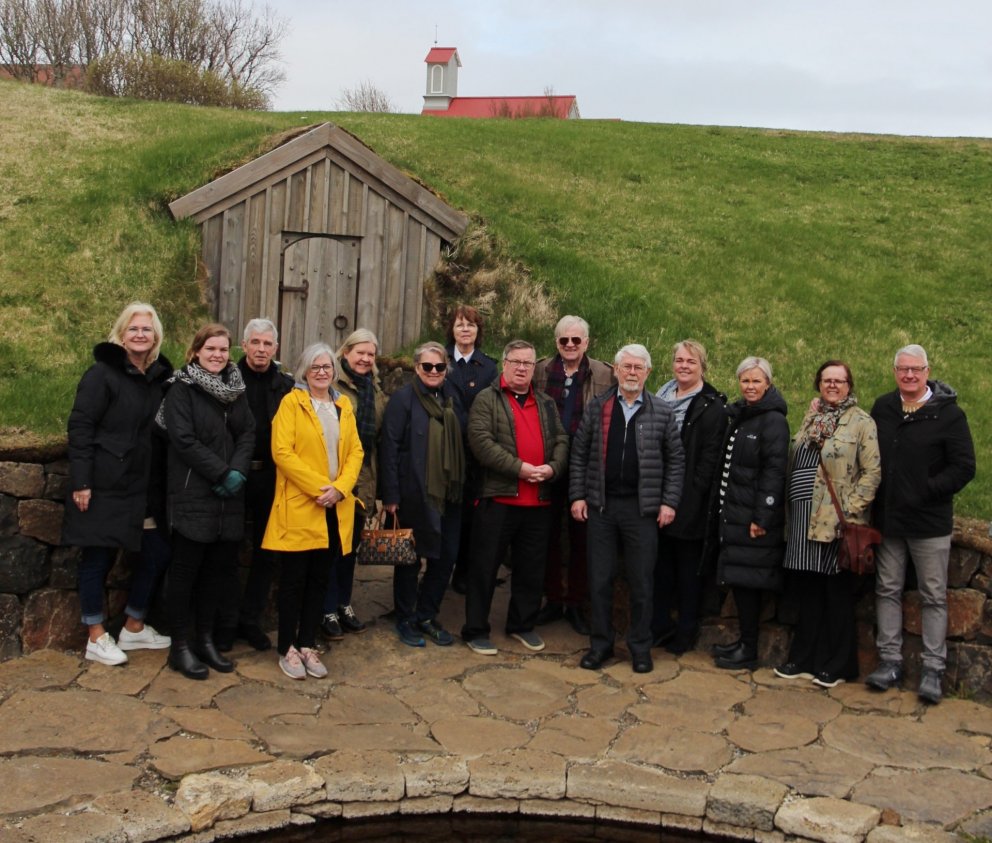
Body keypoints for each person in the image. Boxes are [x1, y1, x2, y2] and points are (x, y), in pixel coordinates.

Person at [63, 302, 174, 665]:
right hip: (104, 483)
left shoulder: (158, 379)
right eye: (133, 328)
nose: (140, 334)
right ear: (121, 334)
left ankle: (134, 626)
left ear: (156, 336)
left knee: (157, 551)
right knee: (98, 557)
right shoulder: (102, 374)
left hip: (141, 487)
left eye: (146, 329)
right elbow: (81, 426)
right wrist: (81, 481)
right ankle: (95, 635)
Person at [864, 344, 975, 704]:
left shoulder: (949, 414)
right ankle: (889, 662)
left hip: (929, 522)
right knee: (887, 589)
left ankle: (933, 669)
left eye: (916, 369)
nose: (909, 375)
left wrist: (927, 490)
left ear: (927, 371)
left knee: (933, 595)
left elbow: (964, 467)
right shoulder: (883, 407)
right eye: (903, 369)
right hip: (890, 520)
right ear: (894, 372)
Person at [570, 344, 685, 674]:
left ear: (648, 372)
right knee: (600, 581)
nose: (632, 372)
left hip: (642, 510)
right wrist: (578, 496)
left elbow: (676, 461)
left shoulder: (662, 411)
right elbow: (579, 454)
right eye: (627, 367)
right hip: (602, 508)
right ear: (616, 371)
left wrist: (669, 502)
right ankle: (600, 645)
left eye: (638, 367)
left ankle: (640, 647)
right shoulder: (599, 406)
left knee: (642, 583)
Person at [775, 361, 881, 688]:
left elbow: (872, 473)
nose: (832, 385)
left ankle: (840, 664)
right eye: (826, 380)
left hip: (835, 521)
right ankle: (805, 659)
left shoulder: (861, 422)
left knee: (836, 594)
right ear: (818, 384)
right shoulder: (812, 418)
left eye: (839, 380)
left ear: (849, 385)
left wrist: (848, 512)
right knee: (809, 591)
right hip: (803, 519)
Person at [159, 323, 254, 680]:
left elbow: (248, 432)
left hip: (228, 498)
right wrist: (222, 473)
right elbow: (183, 440)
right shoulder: (181, 388)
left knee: (216, 573)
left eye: (223, 349)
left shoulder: (236, 389)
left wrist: (238, 472)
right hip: (193, 492)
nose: (217, 355)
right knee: (185, 573)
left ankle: (205, 639)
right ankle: (179, 646)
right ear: (196, 351)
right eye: (210, 348)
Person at [461, 340, 569, 656]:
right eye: (516, 362)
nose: (522, 368)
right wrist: (520, 468)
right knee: (484, 568)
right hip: (499, 500)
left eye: (528, 363)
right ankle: (475, 629)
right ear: (505, 364)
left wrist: (552, 468)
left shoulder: (546, 403)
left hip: (538, 501)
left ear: (534, 368)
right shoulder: (487, 398)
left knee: (531, 569)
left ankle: (522, 624)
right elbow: (481, 442)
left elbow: (562, 439)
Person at [262, 344, 363, 680]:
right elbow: (282, 452)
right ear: (304, 371)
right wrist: (321, 488)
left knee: (320, 579)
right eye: (315, 367)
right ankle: (286, 648)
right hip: (303, 505)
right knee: (294, 580)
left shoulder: (343, 405)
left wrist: (341, 488)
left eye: (327, 366)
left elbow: (356, 452)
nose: (322, 372)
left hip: (335, 507)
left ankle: (307, 643)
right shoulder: (291, 403)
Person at [380, 341, 467, 647]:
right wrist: (391, 496)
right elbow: (389, 448)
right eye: (427, 366)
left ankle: (426, 614)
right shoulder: (402, 400)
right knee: (410, 559)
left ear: (446, 369)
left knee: (446, 557)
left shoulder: (451, 398)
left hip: (449, 493)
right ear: (417, 368)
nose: (433, 371)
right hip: (413, 492)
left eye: (439, 366)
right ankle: (405, 617)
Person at [532, 315, 615, 635]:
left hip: (586, 463)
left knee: (582, 536)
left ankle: (576, 603)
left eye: (576, 340)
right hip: (547, 462)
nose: (570, 345)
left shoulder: (605, 373)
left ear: (586, 343)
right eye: (564, 340)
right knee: (546, 533)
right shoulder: (540, 370)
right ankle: (553, 598)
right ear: (556, 342)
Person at [214, 318, 293, 652]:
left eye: (267, 344)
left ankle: (250, 620)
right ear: (244, 345)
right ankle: (225, 623)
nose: (261, 349)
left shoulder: (287, 386)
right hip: (235, 474)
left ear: (276, 348)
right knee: (226, 550)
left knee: (266, 553)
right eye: (255, 343)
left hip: (272, 477)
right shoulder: (226, 381)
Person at [710, 356, 789, 671]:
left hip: (753, 519)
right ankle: (744, 643)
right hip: (735, 513)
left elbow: (774, 472)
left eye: (757, 381)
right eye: (745, 380)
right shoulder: (743, 415)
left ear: (768, 383)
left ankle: (749, 649)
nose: (750, 386)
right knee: (741, 583)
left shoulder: (773, 421)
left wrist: (762, 517)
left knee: (749, 583)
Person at [652, 340, 726, 655]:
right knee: (660, 568)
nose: (683, 366)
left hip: (689, 500)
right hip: (656, 493)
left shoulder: (711, 406)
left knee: (687, 572)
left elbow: (709, 462)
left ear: (702, 367)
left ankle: (686, 630)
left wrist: (687, 500)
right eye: (679, 360)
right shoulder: (660, 397)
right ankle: (659, 626)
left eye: (691, 362)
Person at [319, 329, 386, 640]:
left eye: (371, 354)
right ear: (345, 352)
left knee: (350, 549)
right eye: (360, 352)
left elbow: (378, 439)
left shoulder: (376, 389)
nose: (365, 359)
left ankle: (344, 603)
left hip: (364, 479)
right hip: (336, 479)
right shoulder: (332, 385)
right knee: (332, 547)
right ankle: (326, 608)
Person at [444, 305, 498, 595]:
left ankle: (463, 572)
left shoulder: (488, 367)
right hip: (444, 449)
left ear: (478, 331)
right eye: (460, 324)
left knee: (470, 517)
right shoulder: (438, 360)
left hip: (475, 452)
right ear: (451, 330)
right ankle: (437, 571)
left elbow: (491, 407)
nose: (465, 330)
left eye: (471, 325)